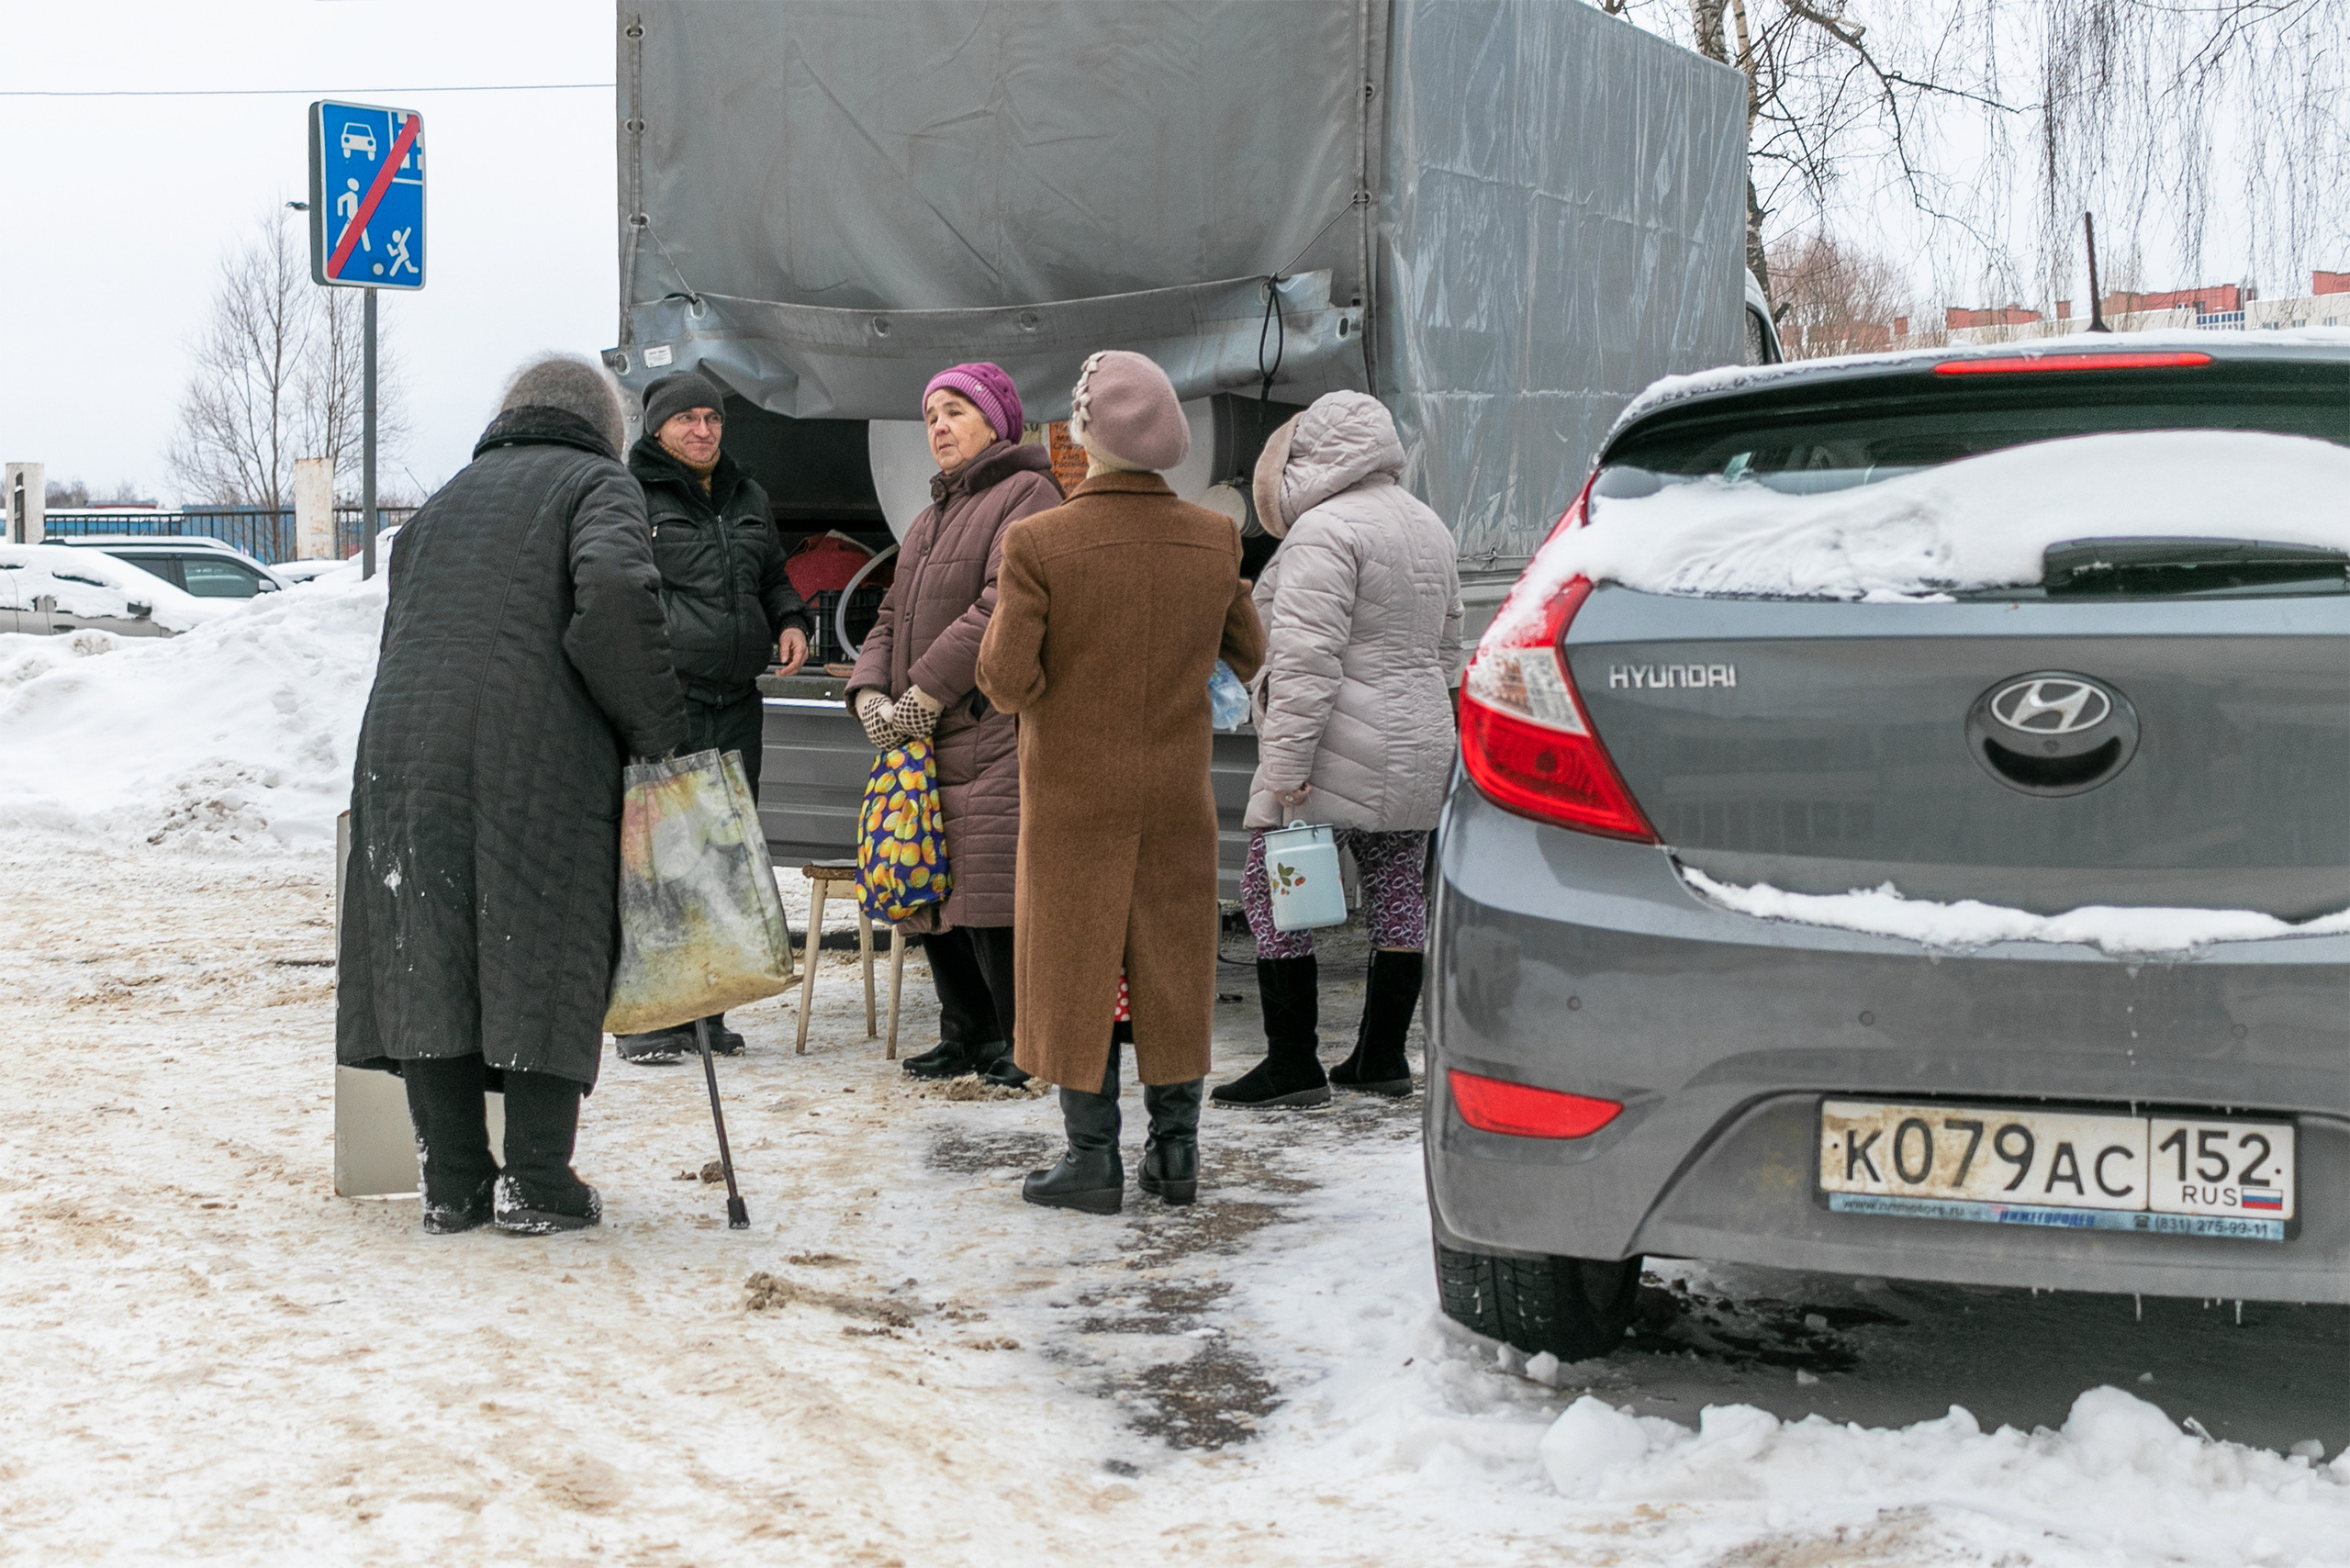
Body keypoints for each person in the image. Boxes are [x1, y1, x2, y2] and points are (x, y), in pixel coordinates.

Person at [338, 354, 688, 1236]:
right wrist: (654, 729)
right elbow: (613, 595)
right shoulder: (598, 486)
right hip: (534, 749)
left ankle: (454, 1182)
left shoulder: (446, 500)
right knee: (545, 940)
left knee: (431, 942)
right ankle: (537, 1178)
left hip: (401, 747)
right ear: (609, 428)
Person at [976, 350, 1266, 1213]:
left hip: (1071, 801)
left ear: (1085, 433)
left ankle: (1091, 1160)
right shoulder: (1215, 540)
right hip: (1175, 798)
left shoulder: (1038, 543)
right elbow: (1250, 654)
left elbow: (1003, 680)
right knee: (1170, 968)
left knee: (1080, 972)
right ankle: (1176, 1157)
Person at [1211, 390, 1463, 1108]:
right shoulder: (1429, 527)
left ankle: (1292, 1063)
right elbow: (1446, 653)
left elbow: (1305, 662)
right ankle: (1381, 1058)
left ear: (1316, 455)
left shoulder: (1324, 531)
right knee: (1395, 896)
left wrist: (1284, 766)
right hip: (1418, 748)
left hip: (1333, 754)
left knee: (1272, 891)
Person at [848, 363, 1060, 1087]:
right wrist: (870, 693)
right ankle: (964, 1032)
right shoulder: (928, 514)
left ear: (998, 420)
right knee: (929, 883)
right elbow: (886, 615)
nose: (939, 426)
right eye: (931, 414)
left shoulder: (1027, 493)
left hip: (988, 725)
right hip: (924, 734)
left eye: (956, 412)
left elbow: (1001, 604)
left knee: (990, 890)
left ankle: (1015, 1038)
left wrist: (927, 691)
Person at [613, 369, 814, 1066]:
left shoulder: (747, 493)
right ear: (656, 428)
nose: (702, 432)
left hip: (737, 702)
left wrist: (789, 618)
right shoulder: (630, 493)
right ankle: (650, 1019)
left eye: (712, 419)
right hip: (670, 698)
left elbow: (772, 575)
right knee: (664, 858)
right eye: (685, 420)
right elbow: (618, 587)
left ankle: (709, 1012)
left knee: (727, 855)